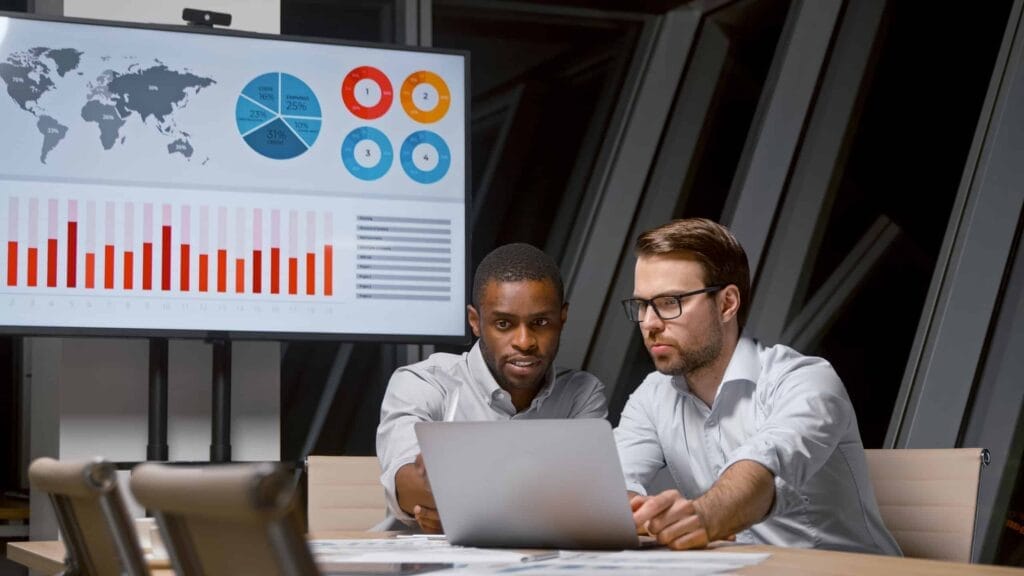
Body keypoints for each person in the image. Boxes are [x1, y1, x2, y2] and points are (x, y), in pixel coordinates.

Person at [615, 218, 900, 554]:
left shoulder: (805, 380)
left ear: (726, 304)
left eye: (669, 303)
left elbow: (759, 473)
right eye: (642, 305)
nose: (649, 324)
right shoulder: (652, 395)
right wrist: (640, 512)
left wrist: (700, 517)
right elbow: (613, 484)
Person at [376, 243, 608, 532]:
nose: (524, 341)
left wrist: (459, 497)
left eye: (540, 322)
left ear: (562, 319)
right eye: (503, 323)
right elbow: (407, 486)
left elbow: (589, 497)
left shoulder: (581, 394)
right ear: (475, 322)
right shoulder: (424, 383)